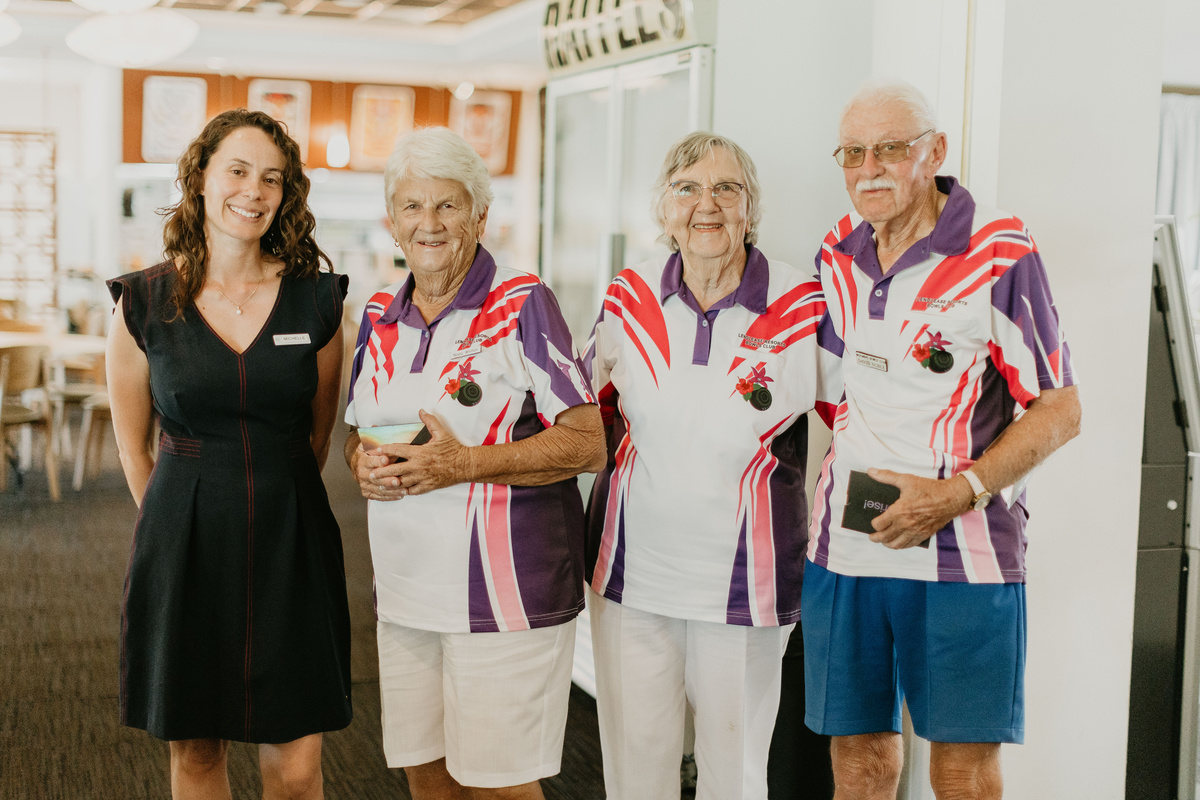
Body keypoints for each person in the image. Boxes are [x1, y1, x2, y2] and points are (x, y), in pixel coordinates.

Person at [803, 80, 1083, 800]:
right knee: (858, 761)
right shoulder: (836, 248)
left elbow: (1058, 408)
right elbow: (834, 392)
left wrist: (954, 492)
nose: (870, 167)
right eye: (854, 152)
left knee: (961, 771)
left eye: (891, 149)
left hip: (966, 555)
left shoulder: (998, 247)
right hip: (848, 549)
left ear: (934, 154)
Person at [343, 126, 605, 800]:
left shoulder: (522, 304)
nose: (428, 223)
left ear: (481, 215)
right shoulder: (377, 314)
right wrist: (361, 466)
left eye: (448, 206)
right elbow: (358, 435)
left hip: (505, 595)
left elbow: (586, 442)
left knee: (498, 787)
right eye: (411, 206)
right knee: (426, 775)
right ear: (391, 221)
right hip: (406, 591)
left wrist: (462, 465)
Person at [584, 131, 842, 800]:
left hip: (747, 586)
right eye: (687, 189)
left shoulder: (801, 303)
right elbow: (584, 416)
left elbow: (859, 421)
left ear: (750, 209)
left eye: (727, 189)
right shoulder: (626, 296)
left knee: (736, 773)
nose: (707, 204)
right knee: (637, 769)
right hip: (631, 576)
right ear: (665, 211)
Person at [106, 108, 351, 799]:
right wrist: (176, 523)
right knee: (198, 754)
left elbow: (318, 432)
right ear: (202, 179)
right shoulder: (142, 303)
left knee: (298, 768)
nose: (254, 190)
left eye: (272, 178)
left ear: (286, 194)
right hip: (183, 544)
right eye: (238, 170)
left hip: (292, 540)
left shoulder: (318, 301)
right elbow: (132, 449)